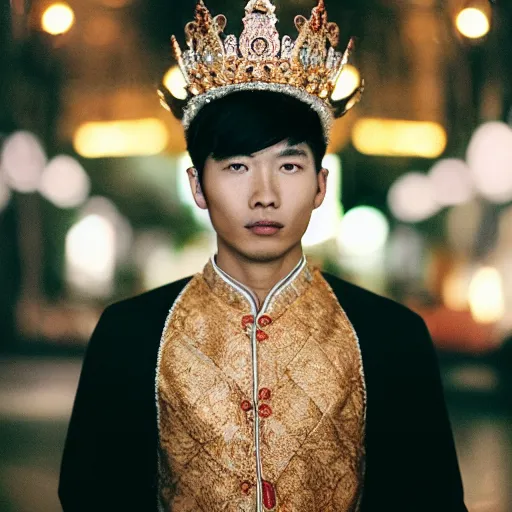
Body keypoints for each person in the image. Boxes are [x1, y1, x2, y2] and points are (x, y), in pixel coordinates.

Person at [58, 1, 468, 511]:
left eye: (290, 166)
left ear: (321, 184)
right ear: (197, 185)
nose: (264, 194)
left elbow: (431, 501)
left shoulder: (391, 336)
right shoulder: (130, 335)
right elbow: (92, 497)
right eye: (236, 167)